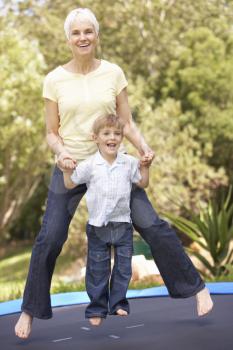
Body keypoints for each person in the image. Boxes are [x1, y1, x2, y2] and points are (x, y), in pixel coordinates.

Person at [15, 7, 213, 339]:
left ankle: (196, 288)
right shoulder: (54, 79)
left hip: (113, 165)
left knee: (151, 224)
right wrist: (61, 153)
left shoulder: (112, 73)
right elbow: (52, 132)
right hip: (73, 165)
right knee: (49, 238)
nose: (83, 38)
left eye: (88, 31)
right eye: (76, 33)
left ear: (96, 36)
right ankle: (29, 311)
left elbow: (127, 123)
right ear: (68, 38)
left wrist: (144, 147)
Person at [63, 114, 150, 326]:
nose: (113, 137)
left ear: (122, 138)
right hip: (97, 227)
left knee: (123, 268)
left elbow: (143, 183)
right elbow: (70, 184)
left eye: (117, 133)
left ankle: (118, 303)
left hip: (122, 225)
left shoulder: (128, 163)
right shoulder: (90, 165)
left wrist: (146, 166)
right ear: (96, 138)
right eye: (107, 133)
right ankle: (97, 308)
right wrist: (66, 170)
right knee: (97, 268)